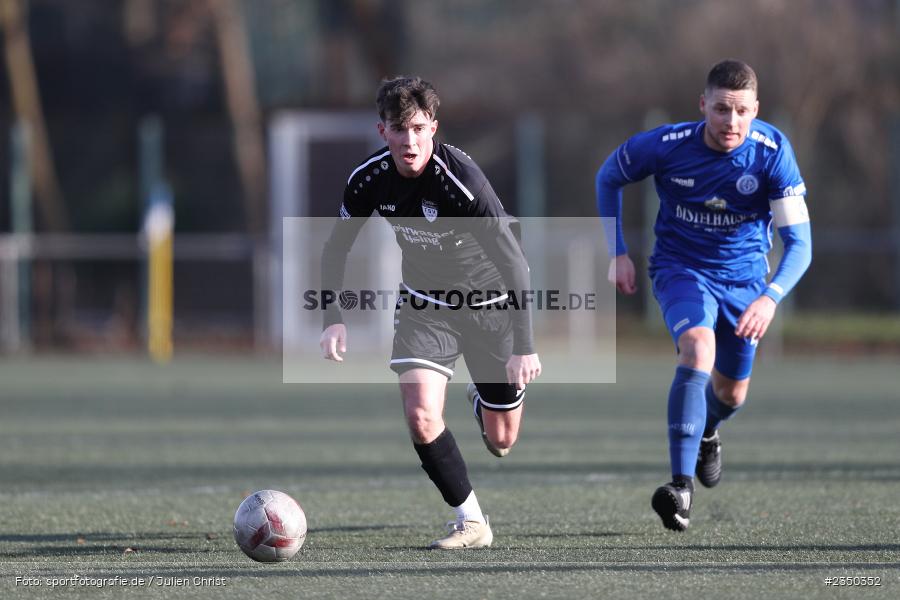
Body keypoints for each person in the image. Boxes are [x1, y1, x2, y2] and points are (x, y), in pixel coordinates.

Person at [319, 76, 542, 549]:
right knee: (421, 416)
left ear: (433, 127)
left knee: (501, 441)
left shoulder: (463, 181)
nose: (410, 140)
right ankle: (472, 520)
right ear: (383, 131)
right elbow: (336, 248)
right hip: (426, 305)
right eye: (399, 129)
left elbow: (514, 262)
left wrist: (524, 346)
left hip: (490, 306)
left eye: (419, 127)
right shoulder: (369, 179)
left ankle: (483, 401)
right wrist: (332, 317)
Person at [595, 59, 812, 531]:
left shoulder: (772, 152)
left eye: (740, 111)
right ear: (703, 106)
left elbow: (801, 244)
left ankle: (709, 430)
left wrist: (770, 296)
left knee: (731, 395)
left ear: (755, 110)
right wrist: (618, 252)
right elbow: (608, 177)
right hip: (681, 270)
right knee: (697, 347)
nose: (730, 122)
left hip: (746, 284)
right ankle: (680, 488)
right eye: (720, 109)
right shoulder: (668, 145)